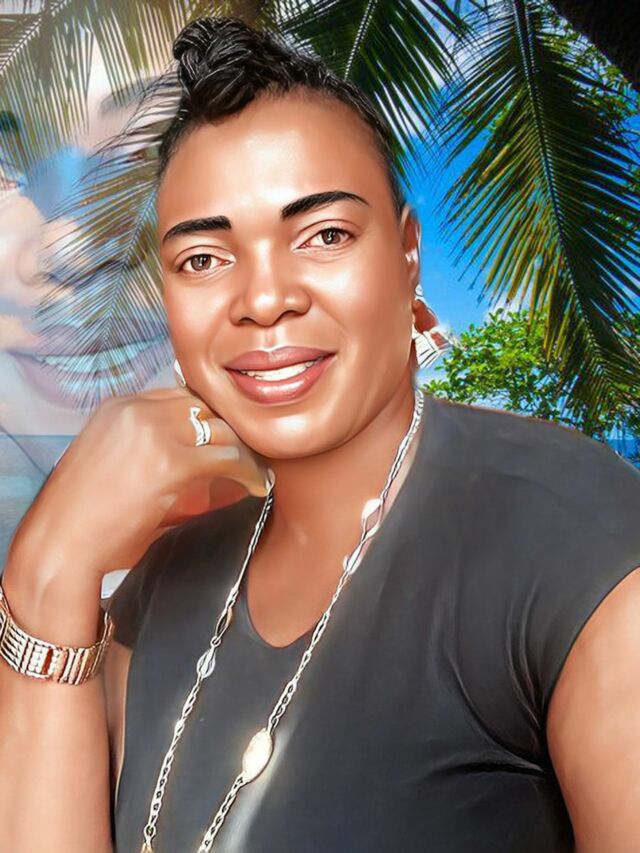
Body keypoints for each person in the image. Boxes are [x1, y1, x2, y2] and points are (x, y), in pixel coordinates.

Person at [1, 15, 639, 853]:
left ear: (407, 254)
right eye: (203, 258)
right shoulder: (162, 585)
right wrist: (49, 569)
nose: (264, 299)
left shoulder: (576, 538)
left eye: (325, 235)